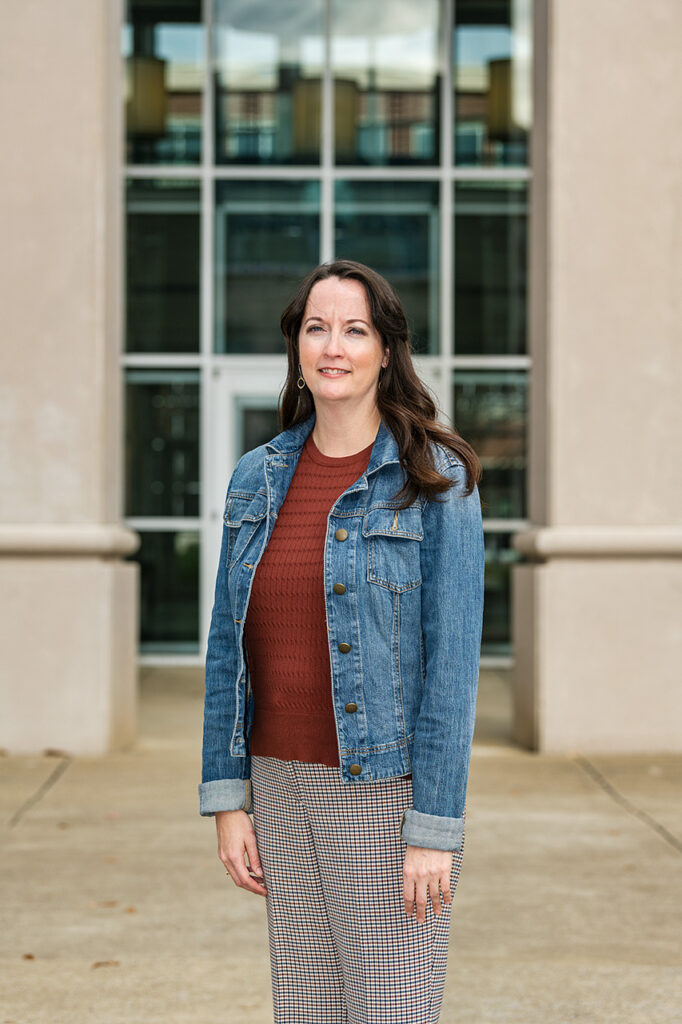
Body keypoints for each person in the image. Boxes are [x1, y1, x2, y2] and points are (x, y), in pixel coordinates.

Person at [199, 259, 485, 1023]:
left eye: (354, 330)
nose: (334, 346)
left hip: (384, 794)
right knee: (308, 1012)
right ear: (297, 346)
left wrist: (433, 831)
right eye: (317, 328)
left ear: (386, 350)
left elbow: (452, 674)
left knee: (392, 1010)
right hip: (280, 790)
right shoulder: (255, 478)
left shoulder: (435, 479)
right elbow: (229, 648)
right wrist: (229, 799)